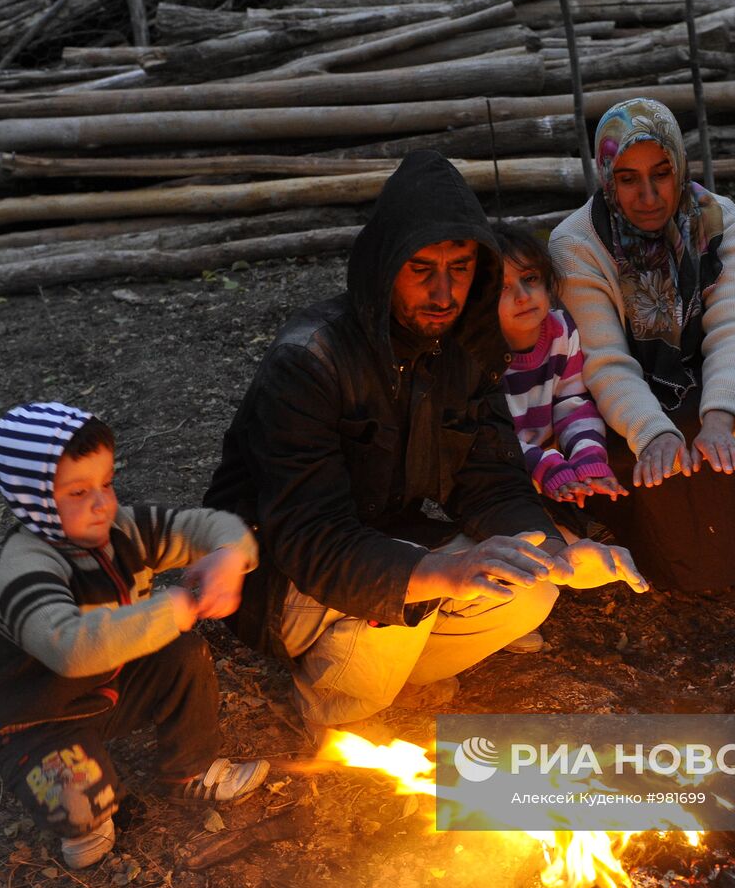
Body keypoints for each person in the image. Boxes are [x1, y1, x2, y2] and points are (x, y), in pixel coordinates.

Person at [204, 150, 647, 731]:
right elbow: (310, 538)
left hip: (382, 539)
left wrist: (558, 555)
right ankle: (334, 706)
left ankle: (376, 669)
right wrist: (440, 571)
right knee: (409, 596)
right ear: (385, 267)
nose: (444, 293)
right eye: (421, 270)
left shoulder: (463, 348)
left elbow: (490, 479)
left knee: (529, 587)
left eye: (460, 268)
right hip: (278, 576)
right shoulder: (309, 362)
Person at [0, 402, 269, 869]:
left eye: (106, 483)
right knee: (81, 802)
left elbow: (203, 524)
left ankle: (189, 769)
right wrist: (169, 607)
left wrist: (228, 554)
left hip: (108, 689)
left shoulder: (121, 530)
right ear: (34, 500)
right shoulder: (26, 567)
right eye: (77, 492)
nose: (102, 504)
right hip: (37, 716)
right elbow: (70, 648)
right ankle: (50, 787)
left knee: (184, 651)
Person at [548, 97, 735, 594]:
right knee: (670, 465)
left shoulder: (716, 219)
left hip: (703, 373)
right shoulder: (575, 244)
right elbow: (606, 360)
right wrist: (652, 434)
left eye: (661, 173)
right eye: (628, 178)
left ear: (680, 165)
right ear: (606, 177)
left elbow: (733, 328)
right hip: (623, 398)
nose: (649, 195)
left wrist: (721, 417)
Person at [495, 222, 626, 511]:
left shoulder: (562, 332)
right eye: (502, 287)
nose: (523, 295)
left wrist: (588, 459)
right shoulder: (481, 355)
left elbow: (573, 403)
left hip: (551, 463)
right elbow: (494, 436)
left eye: (530, 278)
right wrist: (547, 466)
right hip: (500, 471)